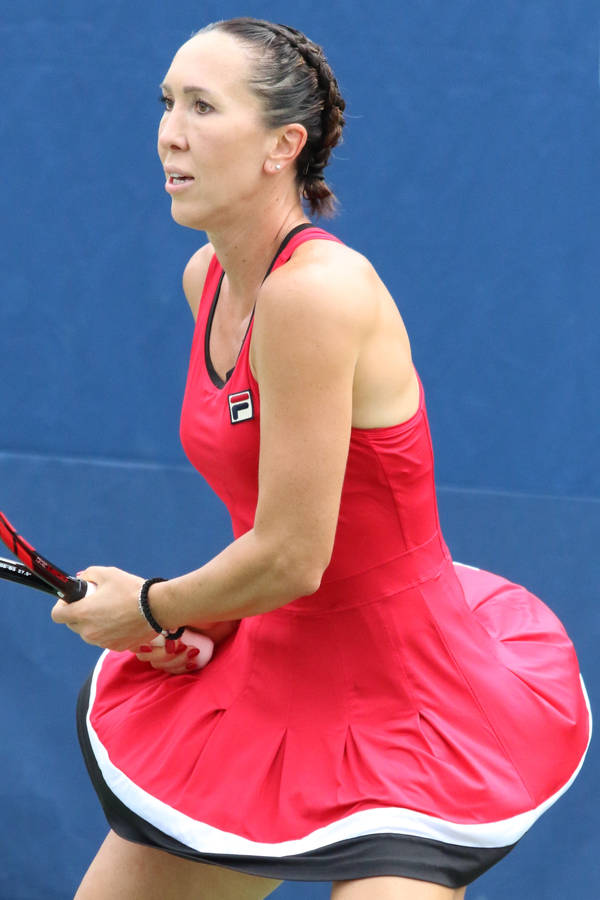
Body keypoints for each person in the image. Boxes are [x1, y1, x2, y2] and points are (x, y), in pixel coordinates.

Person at [51, 17, 591, 900]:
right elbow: (267, 532)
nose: (169, 131)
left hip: (410, 707)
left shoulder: (316, 295)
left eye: (202, 106)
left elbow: (296, 555)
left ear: (282, 146)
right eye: (167, 102)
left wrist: (151, 606)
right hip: (269, 679)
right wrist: (206, 620)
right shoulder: (209, 278)